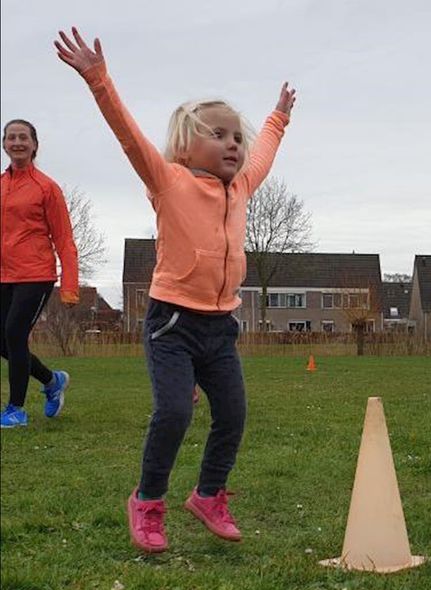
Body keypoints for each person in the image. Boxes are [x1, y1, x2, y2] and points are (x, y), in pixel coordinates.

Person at [56, 27, 296, 553]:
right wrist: (99, 80)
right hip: (172, 323)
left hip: (220, 325)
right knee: (175, 413)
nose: (234, 144)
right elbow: (127, 135)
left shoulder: (243, 187)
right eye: (219, 134)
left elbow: (263, 158)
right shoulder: (168, 180)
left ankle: (209, 495)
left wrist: (277, 119)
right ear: (187, 144)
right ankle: (147, 503)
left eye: (238, 136)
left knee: (233, 414)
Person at [1, 119, 79, 428]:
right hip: (3, 274)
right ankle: (51, 380)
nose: (17, 142)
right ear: (5, 144)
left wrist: (69, 285)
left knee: (15, 335)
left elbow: (64, 237)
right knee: (2, 341)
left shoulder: (46, 187)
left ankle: (15, 409)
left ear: (34, 145)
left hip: (35, 274)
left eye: (23, 137)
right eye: (11, 137)